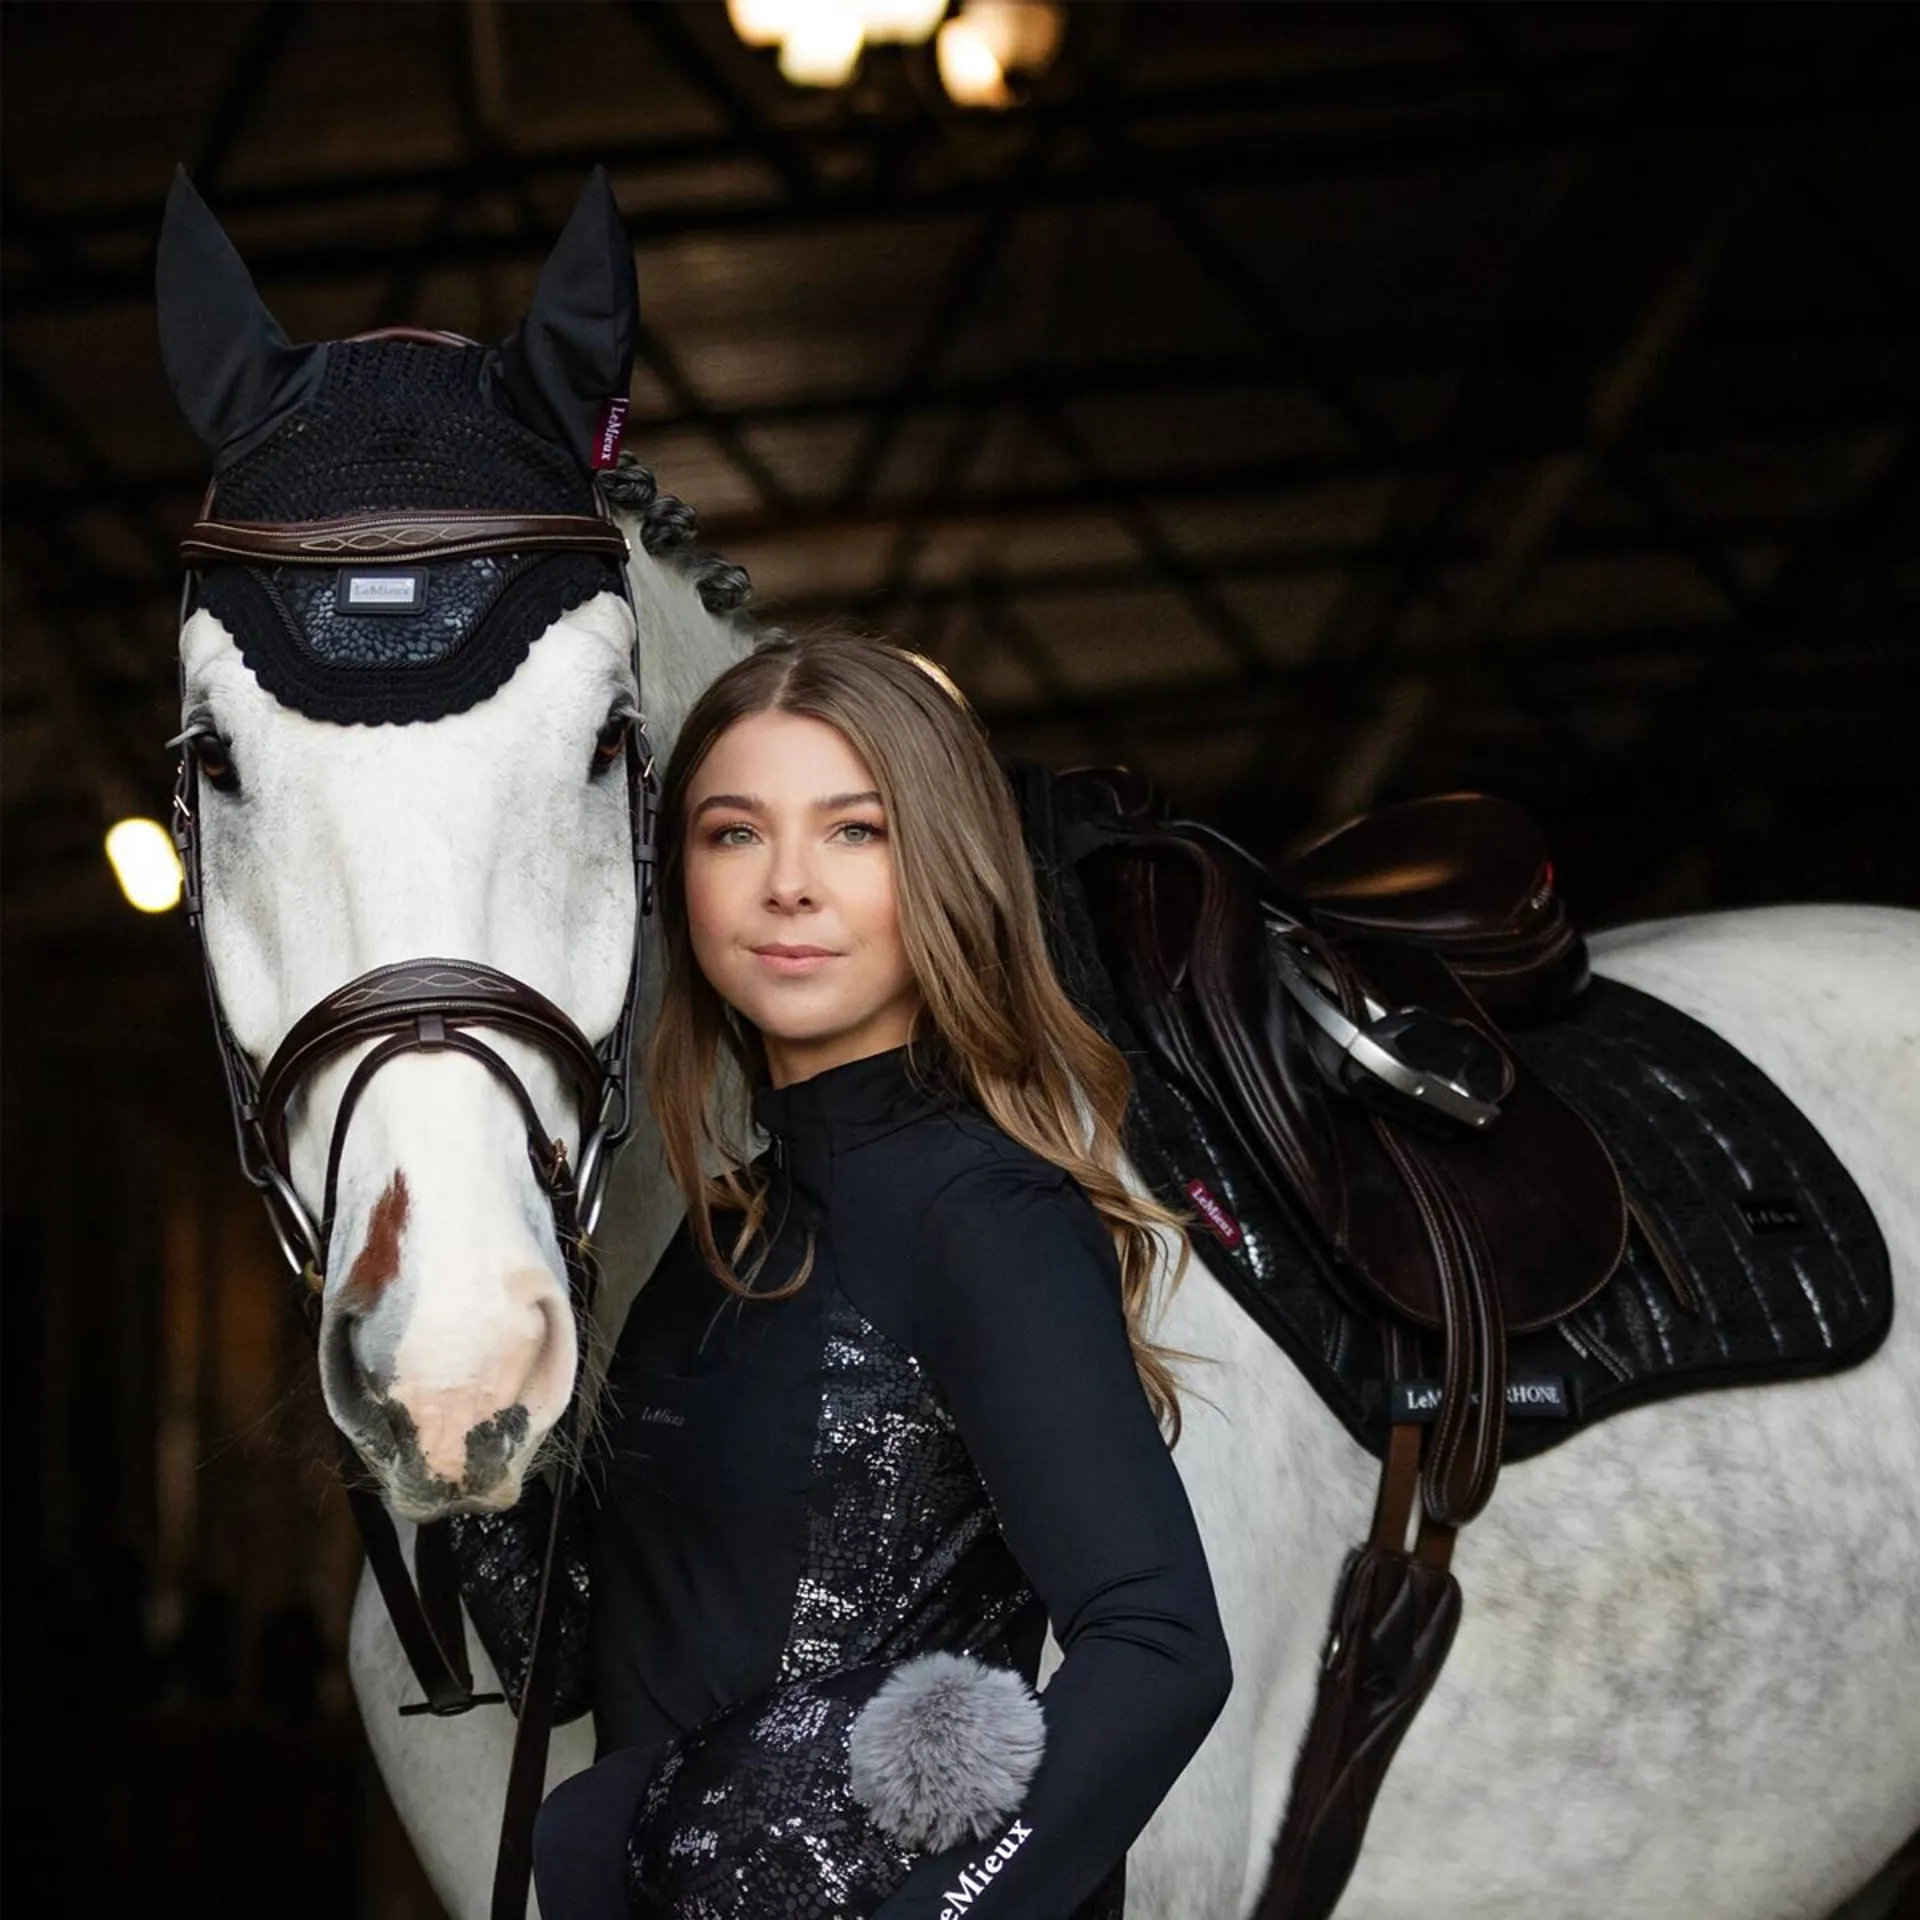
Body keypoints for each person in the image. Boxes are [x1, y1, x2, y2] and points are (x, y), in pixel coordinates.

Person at [486, 631, 1231, 1919]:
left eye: (855, 832)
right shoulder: (723, 1240)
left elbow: (1161, 1646)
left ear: (945, 868)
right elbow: (566, 1668)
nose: (787, 885)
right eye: (734, 833)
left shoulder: (981, 1213)